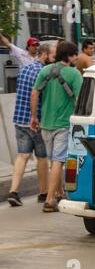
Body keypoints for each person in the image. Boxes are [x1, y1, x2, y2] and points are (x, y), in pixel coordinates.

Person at [30, 41, 83, 213]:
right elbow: (80, 99)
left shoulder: (46, 70)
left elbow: (35, 92)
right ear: (69, 55)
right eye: (75, 54)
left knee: (54, 161)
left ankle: (59, 192)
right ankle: (50, 200)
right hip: (63, 124)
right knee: (58, 161)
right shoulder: (74, 74)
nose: (77, 57)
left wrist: (33, 116)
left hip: (45, 123)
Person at [7, 44, 56, 207]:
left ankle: (13, 192)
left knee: (22, 156)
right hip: (36, 122)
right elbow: (42, 98)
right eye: (52, 56)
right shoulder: (43, 73)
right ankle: (43, 193)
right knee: (41, 158)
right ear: (44, 55)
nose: (52, 59)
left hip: (19, 120)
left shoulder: (24, 68)